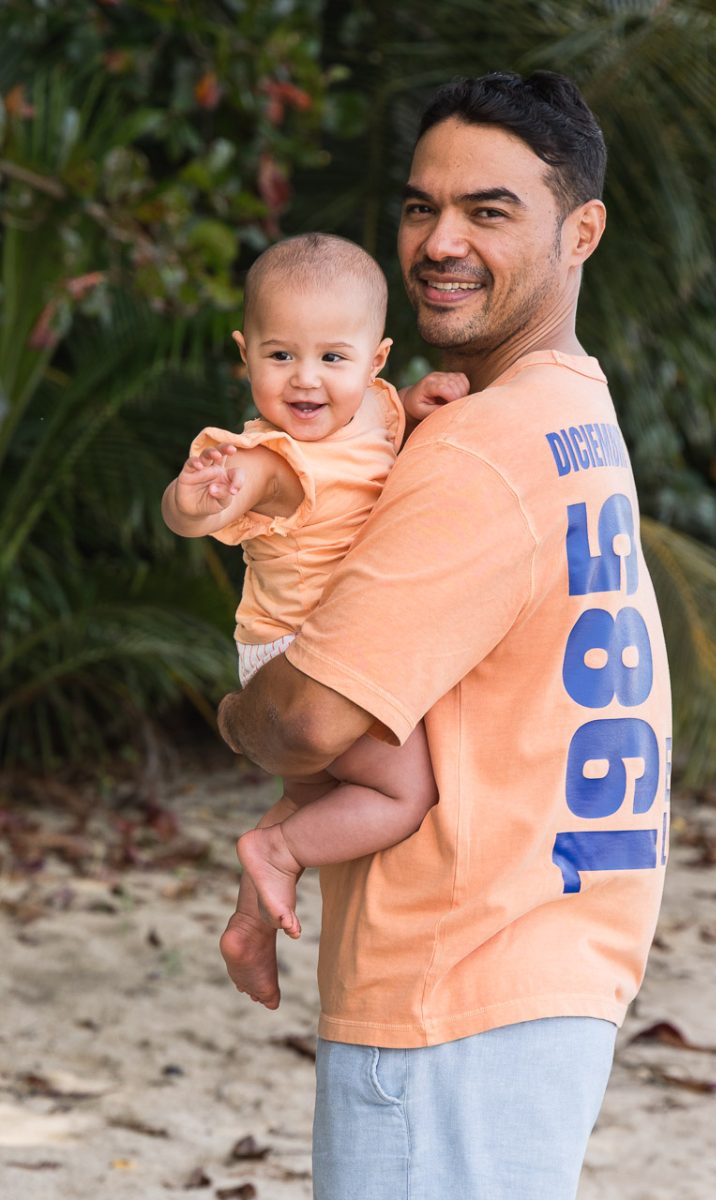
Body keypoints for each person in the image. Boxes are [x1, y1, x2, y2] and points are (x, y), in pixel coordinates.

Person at [217, 71, 672, 1200]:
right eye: (422, 207)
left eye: (488, 210)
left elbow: (309, 719)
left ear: (582, 231)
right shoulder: (572, 413)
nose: (439, 242)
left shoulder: (478, 446)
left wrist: (235, 713)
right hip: (547, 963)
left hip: (448, 989)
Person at [162, 233, 467, 964]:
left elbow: (381, 442)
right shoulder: (271, 461)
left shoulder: (379, 410)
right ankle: (279, 851)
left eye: (333, 358)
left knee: (312, 796)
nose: (305, 380)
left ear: (376, 362)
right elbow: (201, 508)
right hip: (302, 657)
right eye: (280, 355)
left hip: (308, 648)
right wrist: (195, 499)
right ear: (246, 355)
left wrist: (417, 408)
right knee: (403, 796)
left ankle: (250, 919)